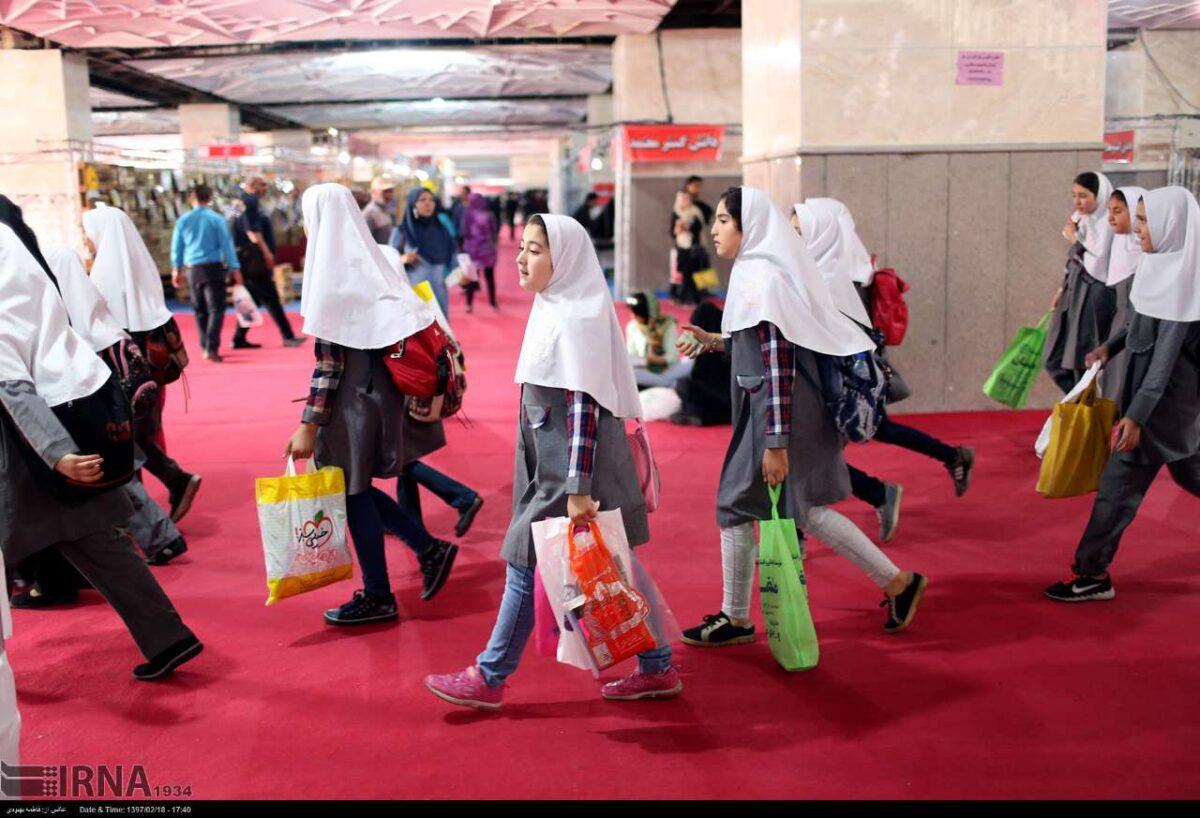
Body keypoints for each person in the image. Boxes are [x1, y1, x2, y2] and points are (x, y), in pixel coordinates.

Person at [424, 214, 680, 709]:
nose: (521, 258)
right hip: (553, 464)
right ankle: (658, 665)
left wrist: (578, 486)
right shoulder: (556, 306)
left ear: (563, 259)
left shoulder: (575, 318)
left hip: (567, 471)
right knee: (616, 561)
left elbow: (582, 408)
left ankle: (489, 675)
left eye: (535, 250)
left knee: (522, 559)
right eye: (522, 247)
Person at [677, 187, 927, 647]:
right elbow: (759, 344)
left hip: (778, 412)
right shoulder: (757, 273)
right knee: (804, 509)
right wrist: (715, 341)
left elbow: (777, 364)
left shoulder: (766, 280)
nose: (713, 230)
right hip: (780, 409)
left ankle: (734, 617)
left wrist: (775, 442)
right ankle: (898, 583)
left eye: (723, 221)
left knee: (735, 505)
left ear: (748, 227)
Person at [0, 207, 202, 681]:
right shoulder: (34, 288)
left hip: (22, 455)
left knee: (87, 542)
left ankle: (168, 636)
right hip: (62, 435)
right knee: (100, 545)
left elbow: (12, 385)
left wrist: (57, 455)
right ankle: (168, 637)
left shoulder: (5, 306)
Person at [285, 184, 443, 626]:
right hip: (380, 396)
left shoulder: (331, 276)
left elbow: (329, 365)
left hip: (350, 404)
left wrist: (308, 425)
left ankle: (379, 593)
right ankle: (428, 550)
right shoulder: (371, 265)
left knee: (351, 491)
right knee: (355, 488)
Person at [1045, 186, 1200, 603]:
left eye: (1147, 221)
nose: (1139, 229)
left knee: (1116, 489)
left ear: (1174, 225)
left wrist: (1135, 417)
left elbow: (1164, 362)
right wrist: (1109, 349)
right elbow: (1138, 324)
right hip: (1164, 407)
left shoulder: (1189, 281)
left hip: (1162, 409)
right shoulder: (1160, 265)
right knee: (1193, 474)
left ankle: (1092, 574)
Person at [793, 200, 974, 542]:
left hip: (839, 380)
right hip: (839, 377)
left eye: (799, 231)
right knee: (818, 453)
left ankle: (873, 498)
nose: (793, 238)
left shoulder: (833, 275)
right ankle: (904, 480)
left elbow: (839, 335)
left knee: (810, 455)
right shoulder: (837, 265)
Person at [44, 247, 188, 567]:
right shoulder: (96, 311)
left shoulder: (67, 318)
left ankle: (160, 538)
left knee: (118, 479)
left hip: (89, 410)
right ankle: (161, 536)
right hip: (116, 411)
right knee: (126, 471)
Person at [83, 204, 202, 524]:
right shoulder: (141, 267)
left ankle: (151, 520)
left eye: (87, 233)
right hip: (153, 374)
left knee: (124, 441)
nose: (86, 241)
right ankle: (170, 485)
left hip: (122, 376)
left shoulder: (103, 277)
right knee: (139, 437)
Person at [1045, 172, 1117, 393]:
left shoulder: (1107, 224)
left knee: (1081, 357)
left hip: (1094, 294)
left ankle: (1085, 410)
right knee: (1054, 358)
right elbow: (1073, 261)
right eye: (1074, 195)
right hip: (1073, 293)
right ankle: (1079, 402)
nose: (1078, 202)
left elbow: (1097, 265)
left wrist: (1075, 239)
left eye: (1084, 196)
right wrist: (1061, 288)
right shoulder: (1080, 219)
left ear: (1100, 196)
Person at [231, 177, 306, 350]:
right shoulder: (249, 201)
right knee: (270, 297)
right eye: (262, 185)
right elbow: (252, 231)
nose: (265, 188)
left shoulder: (240, 203)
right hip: (253, 257)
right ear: (252, 185)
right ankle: (287, 335)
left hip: (246, 257)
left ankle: (238, 337)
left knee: (254, 299)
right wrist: (266, 253)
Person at [170, 184, 241, 362]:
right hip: (213, 268)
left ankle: (205, 345)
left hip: (192, 269)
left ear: (191, 199)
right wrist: (234, 267)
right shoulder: (216, 219)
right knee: (216, 308)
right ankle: (211, 346)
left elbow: (177, 247)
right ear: (209, 198)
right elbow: (227, 245)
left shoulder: (183, 220)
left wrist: (176, 269)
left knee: (199, 308)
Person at [1099, 186, 1148, 396]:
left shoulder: (1147, 256)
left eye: (1118, 211)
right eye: (1109, 211)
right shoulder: (1120, 245)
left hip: (1135, 326)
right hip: (1121, 323)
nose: (1110, 218)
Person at [390, 187, 456, 321]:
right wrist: (403, 259)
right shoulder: (402, 231)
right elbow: (387, 261)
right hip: (414, 295)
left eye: (431, 200)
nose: (428, 203)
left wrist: (461, 273)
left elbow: (452, 258)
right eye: (422, 200)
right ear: (413, 204)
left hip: (439, 294)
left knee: (441, 334)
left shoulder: (442, 231)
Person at [670, 297, 732, 427]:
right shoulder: (727, 341)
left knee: (683, 384)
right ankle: (703, 416)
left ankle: (700, 416)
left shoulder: (721, 343)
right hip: (725, 399)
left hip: (725, 398)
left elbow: (697, 375)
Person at [624, 290, 693, 389]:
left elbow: (672, 357)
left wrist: (655, 360)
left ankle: (659, 382)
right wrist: (643, 360)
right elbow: (632, 354)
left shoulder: (668, 325)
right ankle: (670, 384)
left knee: (692, 361)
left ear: (647, 313)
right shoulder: (632, 327)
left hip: (669, 370)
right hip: (644, 371)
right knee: (630, 373)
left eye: (636, 314)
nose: (633, 316)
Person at [670, 190, 713, 305]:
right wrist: (678, 229)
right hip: (682, 248)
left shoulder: (695, 212)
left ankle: (695, 298)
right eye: (684, 199)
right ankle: (683, 298)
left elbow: (699, 228)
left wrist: (688, 227)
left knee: (695, 274)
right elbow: (672, 232)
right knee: (684, 274)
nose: (687, 201)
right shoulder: (677, 213)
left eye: (688, 199)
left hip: (694, 248)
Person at [462, 193, 498, 312]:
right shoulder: (489, 215)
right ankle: (492, 302)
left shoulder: (468, 215)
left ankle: (469, 304)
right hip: (487, 250)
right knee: (489, 277)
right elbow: (494, 232)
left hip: (472, 251)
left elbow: (465, 232)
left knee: (472, 277)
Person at [362, 176, 397, 245]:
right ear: (374, 192)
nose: (388, 195)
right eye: (385, 192)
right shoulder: (370, 213)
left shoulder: (385, 209)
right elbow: (364, 242)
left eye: (390, 191)